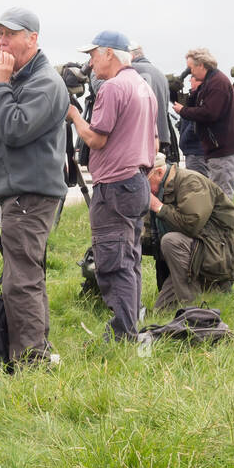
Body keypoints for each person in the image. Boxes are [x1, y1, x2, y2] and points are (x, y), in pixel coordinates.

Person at [0, 7, 68, 365]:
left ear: (32, 38)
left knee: (20, 279)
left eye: (10, 33)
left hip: (30, 194)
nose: (2, 39)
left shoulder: (43, 83)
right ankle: (36, 349)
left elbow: (14, 128)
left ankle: (30, 358)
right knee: (27, 273)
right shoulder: (22, 78)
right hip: (23, 191)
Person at [66, 30, 158, 341]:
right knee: (129, 258)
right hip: (137, 181)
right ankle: (131, 324)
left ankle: (123, 334)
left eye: (93, 54)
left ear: (109, 53)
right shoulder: (143, 87)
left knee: (112, 260)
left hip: (115, 186)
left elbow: (97, 138)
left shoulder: (112, 88)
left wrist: (75, 116)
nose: (90, 62)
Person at [146, 155, 234, 310]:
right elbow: (148, 235)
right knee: (160, 312)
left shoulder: (191, 183)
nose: (144, 187)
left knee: (170, 241)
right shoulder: (162, 187)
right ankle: (214, 290)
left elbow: (191, 225)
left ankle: (192, 307)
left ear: (159, 173)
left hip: (221, 253)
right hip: (198, 251)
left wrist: (159, 207)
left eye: (146, 181)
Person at [174, 48, 234, 198]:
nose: (190, 72)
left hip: (223, 149)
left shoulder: (217, 83)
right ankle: (220, 220)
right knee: (217, 191)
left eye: (191, 68)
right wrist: (194, 92)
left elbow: (209, 113)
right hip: (217, 147)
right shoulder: (210, 82)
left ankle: (226, 221)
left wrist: (183, 111)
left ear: (201, 65)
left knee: (222, 193)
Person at [129, 41, 173, 158]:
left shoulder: (132, 69)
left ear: (131, 56)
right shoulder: (160, 74)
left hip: (143, 138)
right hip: (162, 137)